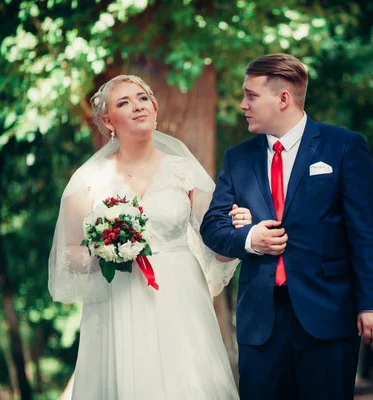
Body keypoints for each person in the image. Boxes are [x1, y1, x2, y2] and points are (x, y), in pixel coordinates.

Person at [48, 75, 254, 399]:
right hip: (120, 300)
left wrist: (237, 232)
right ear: (107, 121)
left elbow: (218, 243)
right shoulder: (87, 180)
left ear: (155, 109)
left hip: (181, 297)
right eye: (124, 103)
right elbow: (68, 253)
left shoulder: (183, 170)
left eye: (143, 98)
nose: (137, 107)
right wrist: (104, 250)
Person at [200, 53, 373, 400]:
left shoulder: (343, 147)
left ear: (283, 98)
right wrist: (249, 238)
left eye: (251, 95)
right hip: (261, 322)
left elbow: (367, 232)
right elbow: (212, 227)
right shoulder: (237, 158)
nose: (243, 104)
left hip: (328, 313)